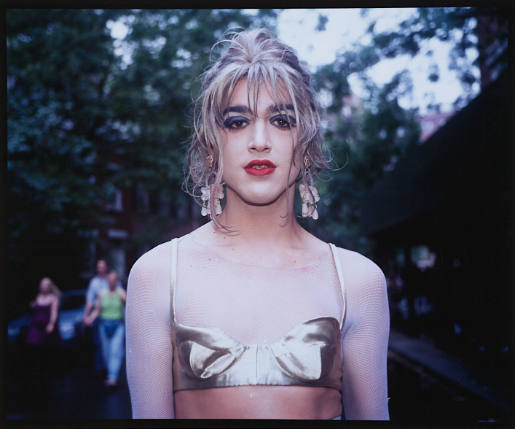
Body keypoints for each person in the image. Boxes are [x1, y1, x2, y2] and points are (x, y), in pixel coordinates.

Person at [126, 28, 390, 420]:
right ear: (211, 145)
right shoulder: (158, 275)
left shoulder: (356, 281)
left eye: (282, 120)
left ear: (307, 143)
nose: (260, 140)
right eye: (237, 122)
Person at [85, 270, 126, 387]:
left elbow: (129, 305)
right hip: (104, 325)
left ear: (116, 281)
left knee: (115, 350)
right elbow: (97, 310)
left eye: (114, 280)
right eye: (110, 280)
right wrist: (90, 318)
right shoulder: (102, 294)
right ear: (107, 281)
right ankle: (110, 372)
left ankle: (112, 377)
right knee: (106, 352)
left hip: (117, 325)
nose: (112, 282)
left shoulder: (121, 293)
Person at [25, 277, 62, 394]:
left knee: (45, 348)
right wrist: (33, 305)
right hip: (36, 326)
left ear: (50, 286)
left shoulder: (53, 298)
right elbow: (35, 309)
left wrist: (51, 324)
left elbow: (54, 313)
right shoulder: (38, 297)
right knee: (33, 344)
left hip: (46, 327)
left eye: (46, 285)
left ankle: (47, 371)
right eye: (42, 284)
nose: (44, 287)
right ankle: (35, 371)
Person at [83, 259, 109, 373]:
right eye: (99, 267)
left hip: (109, 313)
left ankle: (109, 367)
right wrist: (86, 315)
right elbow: (89, 300)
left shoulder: (111, 280)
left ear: (106, 268)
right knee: (97, 342)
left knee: (109, 343)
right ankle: (100, 368)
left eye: (102, 266)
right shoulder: (94, 282)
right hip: (97, 315)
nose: (101, 269)